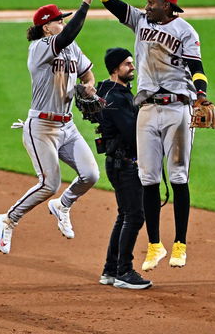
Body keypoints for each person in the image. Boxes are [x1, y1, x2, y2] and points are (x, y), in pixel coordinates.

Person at [79, 0, 213, 270]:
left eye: (152, 2)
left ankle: (180, 243)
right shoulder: (139, 21)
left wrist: (201, 95)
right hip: (148, 110)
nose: (147, 6)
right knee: (149, 178)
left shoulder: (185, 30)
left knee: (179, 177)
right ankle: (155, 245)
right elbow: (112, 2)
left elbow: (197, 68)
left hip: (177, 109)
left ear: (167, 6)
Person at [0, 0, 100, 254]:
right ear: (46, 27)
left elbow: (88, 71)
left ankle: (62, 205)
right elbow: (67, 36)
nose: (63, 24)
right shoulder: (41, 47)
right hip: (41, 127)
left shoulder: (71, 48)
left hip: (68, 127)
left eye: (63, 20)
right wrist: (85, 5)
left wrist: (89, 85)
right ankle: (7, 220)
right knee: (49, 183)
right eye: (58, 21)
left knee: (90, 175)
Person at [95, 48, 152, 290]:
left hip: (118, 162)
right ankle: (124, 271)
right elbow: (132, 133)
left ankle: (111, 269)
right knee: (135, 215)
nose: (132, 67)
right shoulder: (116, 98)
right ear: (115, 69)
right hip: (124, 163)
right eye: (127, 64)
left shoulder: (109, 91)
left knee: (125, 215)